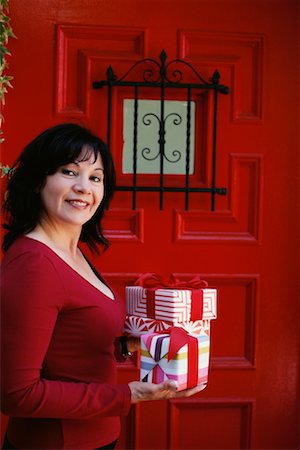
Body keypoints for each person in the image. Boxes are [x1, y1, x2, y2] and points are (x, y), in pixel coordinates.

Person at [0, 123, 206, 450]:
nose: (85, 186)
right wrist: (129, 394)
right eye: (69, 172)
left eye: (96, 177)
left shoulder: (73, 253)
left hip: (99, 437)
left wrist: (129, 346)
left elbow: (66, 347)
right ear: (39, 181)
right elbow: (17, 394)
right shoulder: (34, 265)